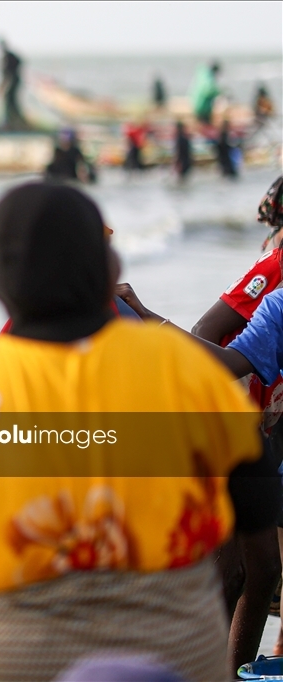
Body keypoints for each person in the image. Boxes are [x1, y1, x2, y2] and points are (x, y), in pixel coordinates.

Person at [0, 182, 278, 681]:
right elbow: (257, 520)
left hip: (6, 653)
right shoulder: (187, 373)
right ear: (111, 270)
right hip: (167, 648)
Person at [129, 176, 283, 670]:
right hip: (259, 438)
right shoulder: (277, 292)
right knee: (254, 570)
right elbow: (224, 357)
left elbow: (224, 359)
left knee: (257, 570)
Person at [0, 37, 28, 131]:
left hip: (13, 81)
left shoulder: (8, 56)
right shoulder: (8, 56)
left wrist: (3, 85)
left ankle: (12, 122)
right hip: (13, 80)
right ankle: (12, 121)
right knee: (10, 101)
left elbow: (7, 73)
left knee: (10, 101)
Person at [191, 60, 221, 125]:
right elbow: (208, 90)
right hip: (202, 107)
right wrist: (220, 92)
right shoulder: (208, 77)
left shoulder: (202, 74)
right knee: (206, 125)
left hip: (195, 104)